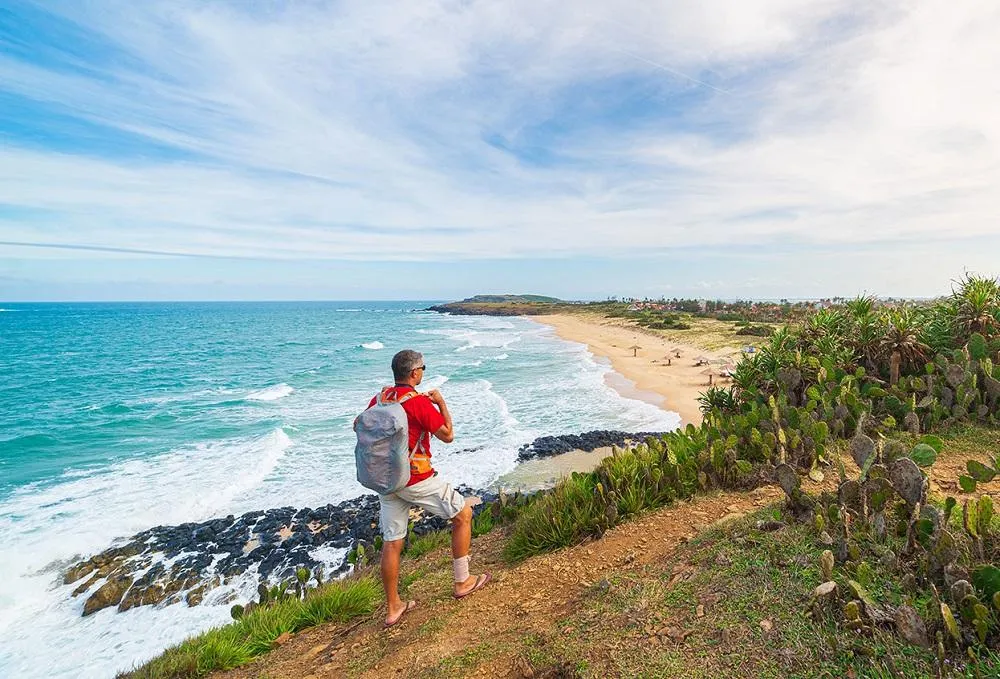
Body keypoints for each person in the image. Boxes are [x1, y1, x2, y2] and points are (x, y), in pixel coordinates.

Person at [365, 349, 491, 627]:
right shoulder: (419, 403)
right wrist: (441, 403)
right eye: (423, 367)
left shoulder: (380, 398)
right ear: (413, 373)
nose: (423, 371)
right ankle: (463, 581)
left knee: (392, 542)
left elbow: (357, 426)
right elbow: (447, 435)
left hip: (386, 481)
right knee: (462, 515)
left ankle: (393, 607)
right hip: (415, 479)